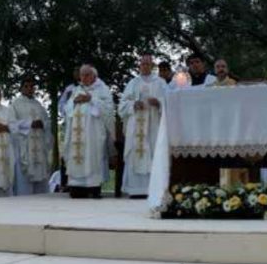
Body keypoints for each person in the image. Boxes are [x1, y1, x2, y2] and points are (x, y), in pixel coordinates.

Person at [63, 64, 114, 198]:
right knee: (77, 156)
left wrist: (91, 99)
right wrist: (74, 102)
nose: (84, 78)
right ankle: (76, 186)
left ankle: (93, 187)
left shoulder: (102, 89)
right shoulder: (76, 90)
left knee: (92, 156)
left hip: (93, 133)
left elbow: (108, 110)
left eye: (87, 75)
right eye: (82, 75)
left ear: (94, 76)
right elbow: (67, 109)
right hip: (77, 134)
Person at [119, 54, 165, 198]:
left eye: (148, 64)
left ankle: (154, 189)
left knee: (152, 152)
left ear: (152, 66)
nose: (145, 66)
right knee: (136, 153)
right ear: (139, 66)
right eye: (142, 64)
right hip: (136, 125)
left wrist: (158, 103)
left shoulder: (161, 82)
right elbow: (122, 105)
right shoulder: (133, 83)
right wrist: (133, 104)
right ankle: (135, 190)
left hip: (153, 125)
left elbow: (169, 101)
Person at [10, 76, 52, 195]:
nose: (29, 89)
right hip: (25, 147)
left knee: (41, 182)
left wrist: (42, 124)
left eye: (32, 87)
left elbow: (47, 122)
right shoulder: (15, 105)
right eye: (26, 86)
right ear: (21, 88)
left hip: (39, 146)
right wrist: (29, 124)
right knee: (24, 183)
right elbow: (12, 125)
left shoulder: (39, 105)